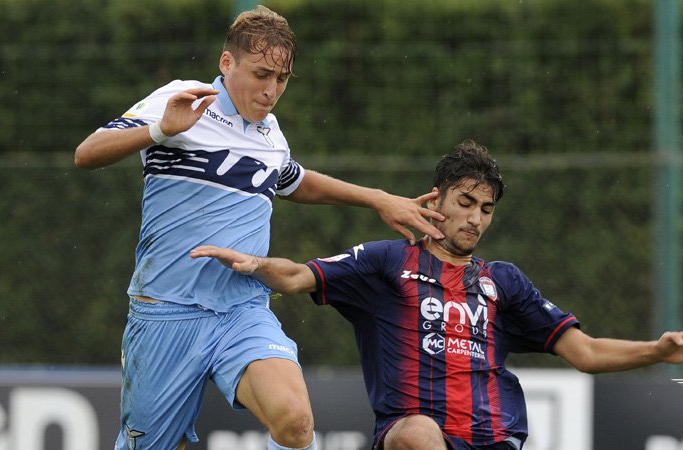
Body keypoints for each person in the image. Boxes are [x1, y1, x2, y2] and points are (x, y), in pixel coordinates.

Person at [74, 5, 446, 450]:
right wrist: (157, 130)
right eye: (261, 74)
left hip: (242, 311)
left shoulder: (269, 133)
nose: (271, 91)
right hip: (165, 313)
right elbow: (86, 153)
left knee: (295, 421)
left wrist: (377, 198)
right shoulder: (181, 100)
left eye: (282, 79)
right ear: (226, 63)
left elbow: (293, 181)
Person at [190, 139, 683, 450]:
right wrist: (255, 264)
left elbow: (582, 352)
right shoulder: (385, 261)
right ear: (436, 198)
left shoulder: (504, 282)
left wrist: (658, 350)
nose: (474, 218)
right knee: (419, 433)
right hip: (412, 436)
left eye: (486, 210)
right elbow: (295, 276)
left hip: (497, 441)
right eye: (465, 202)